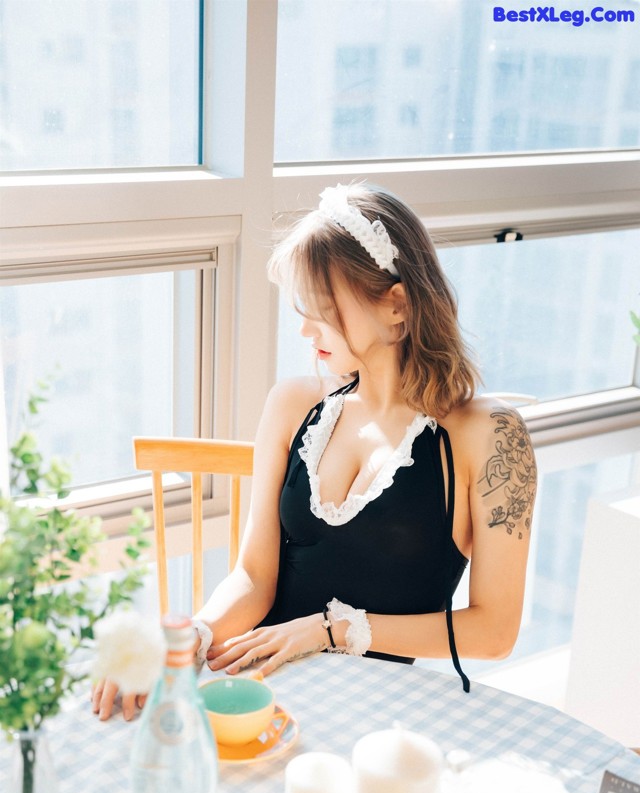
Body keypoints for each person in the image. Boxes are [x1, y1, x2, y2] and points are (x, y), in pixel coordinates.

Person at [93, 182, 536, 720]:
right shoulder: (294, 404)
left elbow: (494, 632)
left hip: (373, 712)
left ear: (396, 305)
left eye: (323, 310)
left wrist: (333, 631)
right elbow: (255, 577)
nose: (305, 329)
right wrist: (192, 636)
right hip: (257, 688)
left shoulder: (486, 436)